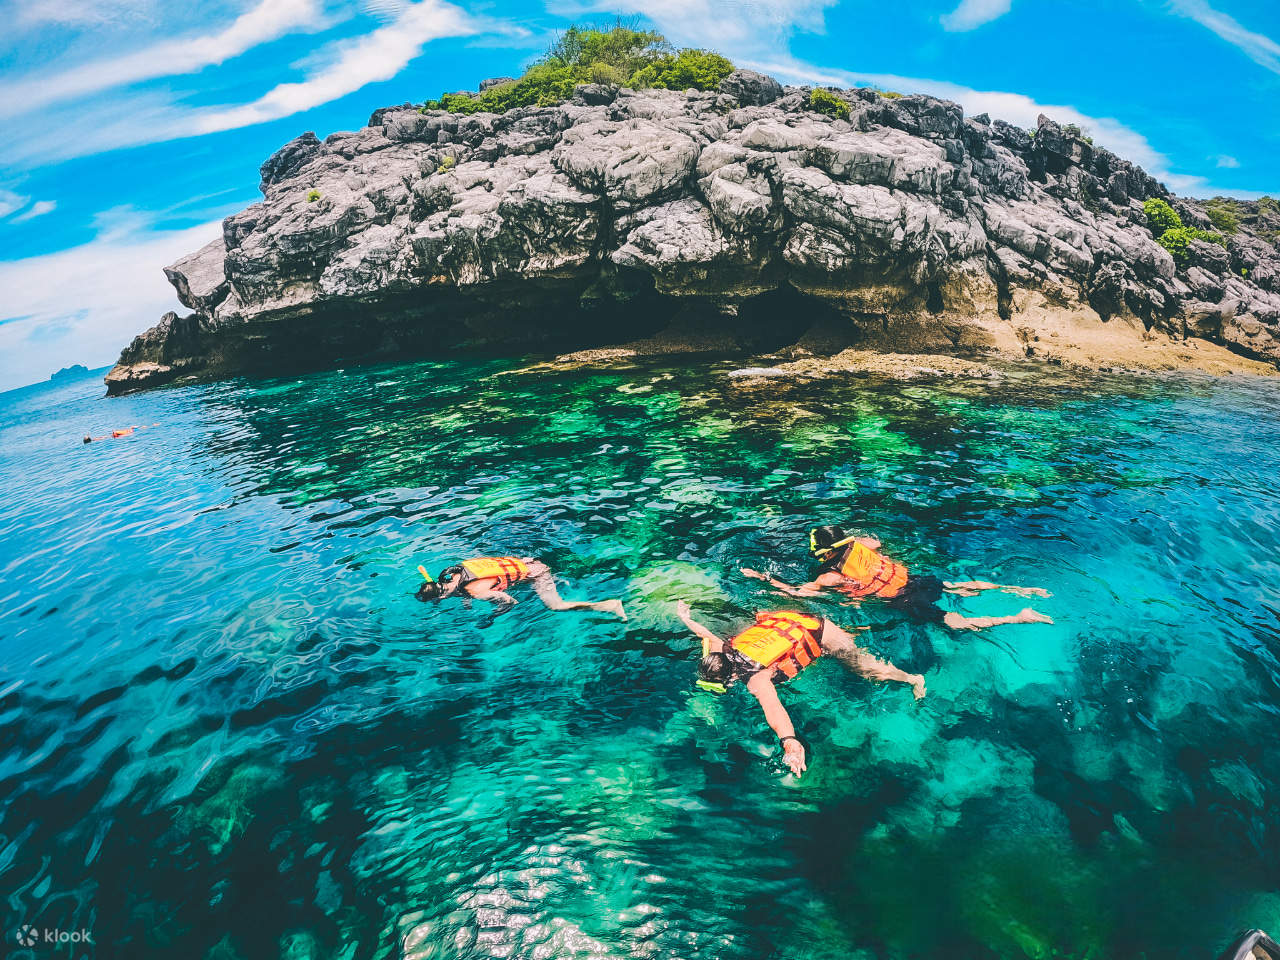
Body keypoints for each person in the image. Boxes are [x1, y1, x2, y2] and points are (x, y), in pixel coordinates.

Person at [677, 600, 925, 776]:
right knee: (841, 649)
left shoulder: (756, 680)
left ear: (729, 675)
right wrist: (686, 618)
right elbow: (706, 635)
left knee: (869, 670)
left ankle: (912, 678)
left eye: (723, 684)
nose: (728, 686)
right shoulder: (722, 651)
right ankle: (851, 632)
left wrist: (791, 743)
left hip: (822, 633)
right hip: (796, 621)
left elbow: (774, 710)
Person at [741, 525, 1052, 632]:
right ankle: (1022, 590)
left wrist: (762, 577)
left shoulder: (829, 578)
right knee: (960, 586)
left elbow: (797, 593)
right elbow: (876, 542)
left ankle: (1018, 617)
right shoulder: (862, 545)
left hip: (905, 599)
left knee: (954, 622)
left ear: (823, 552)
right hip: (917, 579)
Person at [415, 556, 626, 619]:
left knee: (555, 606)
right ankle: (564, 578)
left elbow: (511, 601)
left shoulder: (475, 592)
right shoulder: (452, 572)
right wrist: (465, 599)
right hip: (528, 562)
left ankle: (609, 605)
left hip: (538, 573)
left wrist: (492, 616)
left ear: (441, 597)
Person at [82, 424, 155, 443]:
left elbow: (102, 438)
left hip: (115, 435)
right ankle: (151, 425)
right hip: (115, 435)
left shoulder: (94, 440)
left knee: (131, 430)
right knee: (131, 430)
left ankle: (151, 425)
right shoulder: (94, 440)